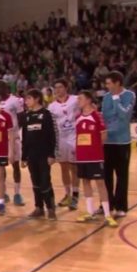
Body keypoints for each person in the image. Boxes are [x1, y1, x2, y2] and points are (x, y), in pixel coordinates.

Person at [75, 91, 118, 228]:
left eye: (80, 98)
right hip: (81, 157)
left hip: (95, 156)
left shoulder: (96, 115)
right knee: (85, 182)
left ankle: (107, 214)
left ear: (88, 100)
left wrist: (95, 149)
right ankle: (89, 212)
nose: (78, 101)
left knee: (100, 183)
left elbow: (103, 135)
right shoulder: (78, 117)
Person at [101, 71, 135, 218]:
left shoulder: (130, 95)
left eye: (109, 83)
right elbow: (106, 115)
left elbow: (124, 116)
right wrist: (116, 111)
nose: (106, 86)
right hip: (108, 141)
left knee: (122, 175)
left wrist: (116, 99)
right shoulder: (105, 97)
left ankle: (121, 206)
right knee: (106, 175)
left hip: (122, 142)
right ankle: (107, 205)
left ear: (117, 83)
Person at [22, 89, 57, 220]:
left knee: (45, 181)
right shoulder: (27, 116)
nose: (26, 101)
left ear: (37, 99)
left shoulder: (46, 114)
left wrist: (52, 154)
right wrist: (24, 157)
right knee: (35, 182)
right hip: (31, 155)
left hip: (44, 155)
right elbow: (25, 137)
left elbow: (52, 135)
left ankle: (50, 208)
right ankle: (39, 207)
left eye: (29, 98)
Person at [48, 79, 80, 210]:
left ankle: (76, 195)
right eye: (56, 88)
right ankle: (67, 195)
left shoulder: (76, 99)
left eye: (60, 87)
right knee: (63, 167)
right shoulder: (51, 106)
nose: (58, 90)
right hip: (60, 138)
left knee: (74, 167)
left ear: (66, 87)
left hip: (74, 136)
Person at [0, 81, 25, 206]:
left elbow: (22, 118)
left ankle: (17, 194)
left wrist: (15, 131)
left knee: (15, 165)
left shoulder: (15, 101)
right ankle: (4, 194)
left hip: (13, 137)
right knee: (0, 167)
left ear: (6, 88)